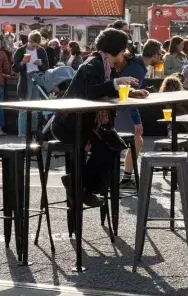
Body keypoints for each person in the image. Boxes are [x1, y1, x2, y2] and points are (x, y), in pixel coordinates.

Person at [51, 29, 147, 207]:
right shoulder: (93, 63)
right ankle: (82, 186)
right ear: (118, 49)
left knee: (113, 145)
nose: (126, 54)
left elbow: (108, 87)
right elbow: (91, 91)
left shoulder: (105, 64)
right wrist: (117, 83)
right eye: (124, 50)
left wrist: (132, 92)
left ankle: (80, 185)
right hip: (70, 125)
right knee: (110, 145)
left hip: (85, 124)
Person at [115, 39, 162, 187]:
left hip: (118, 106)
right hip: (121, 107)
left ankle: (125, 178)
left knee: (135, 141)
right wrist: (137, 121)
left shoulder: (136, 62)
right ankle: (125, 179)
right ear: (154, 55)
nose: (161, 57)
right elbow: (128, 94)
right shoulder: (138, 69)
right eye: (160, 54)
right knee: (135, 140)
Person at [12, 31, 50, 138]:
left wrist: (40, 64)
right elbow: (14, 68)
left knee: (34, 110)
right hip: (26, 79)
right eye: (33, 45)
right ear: (29, 41)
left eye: (37, 46)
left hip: (37, 78)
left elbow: (47, 67)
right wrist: (22, 63)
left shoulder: (41, 50)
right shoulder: (20, 51)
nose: (34, 48)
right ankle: (23, 135)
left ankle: (32, 135)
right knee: (24, 109)